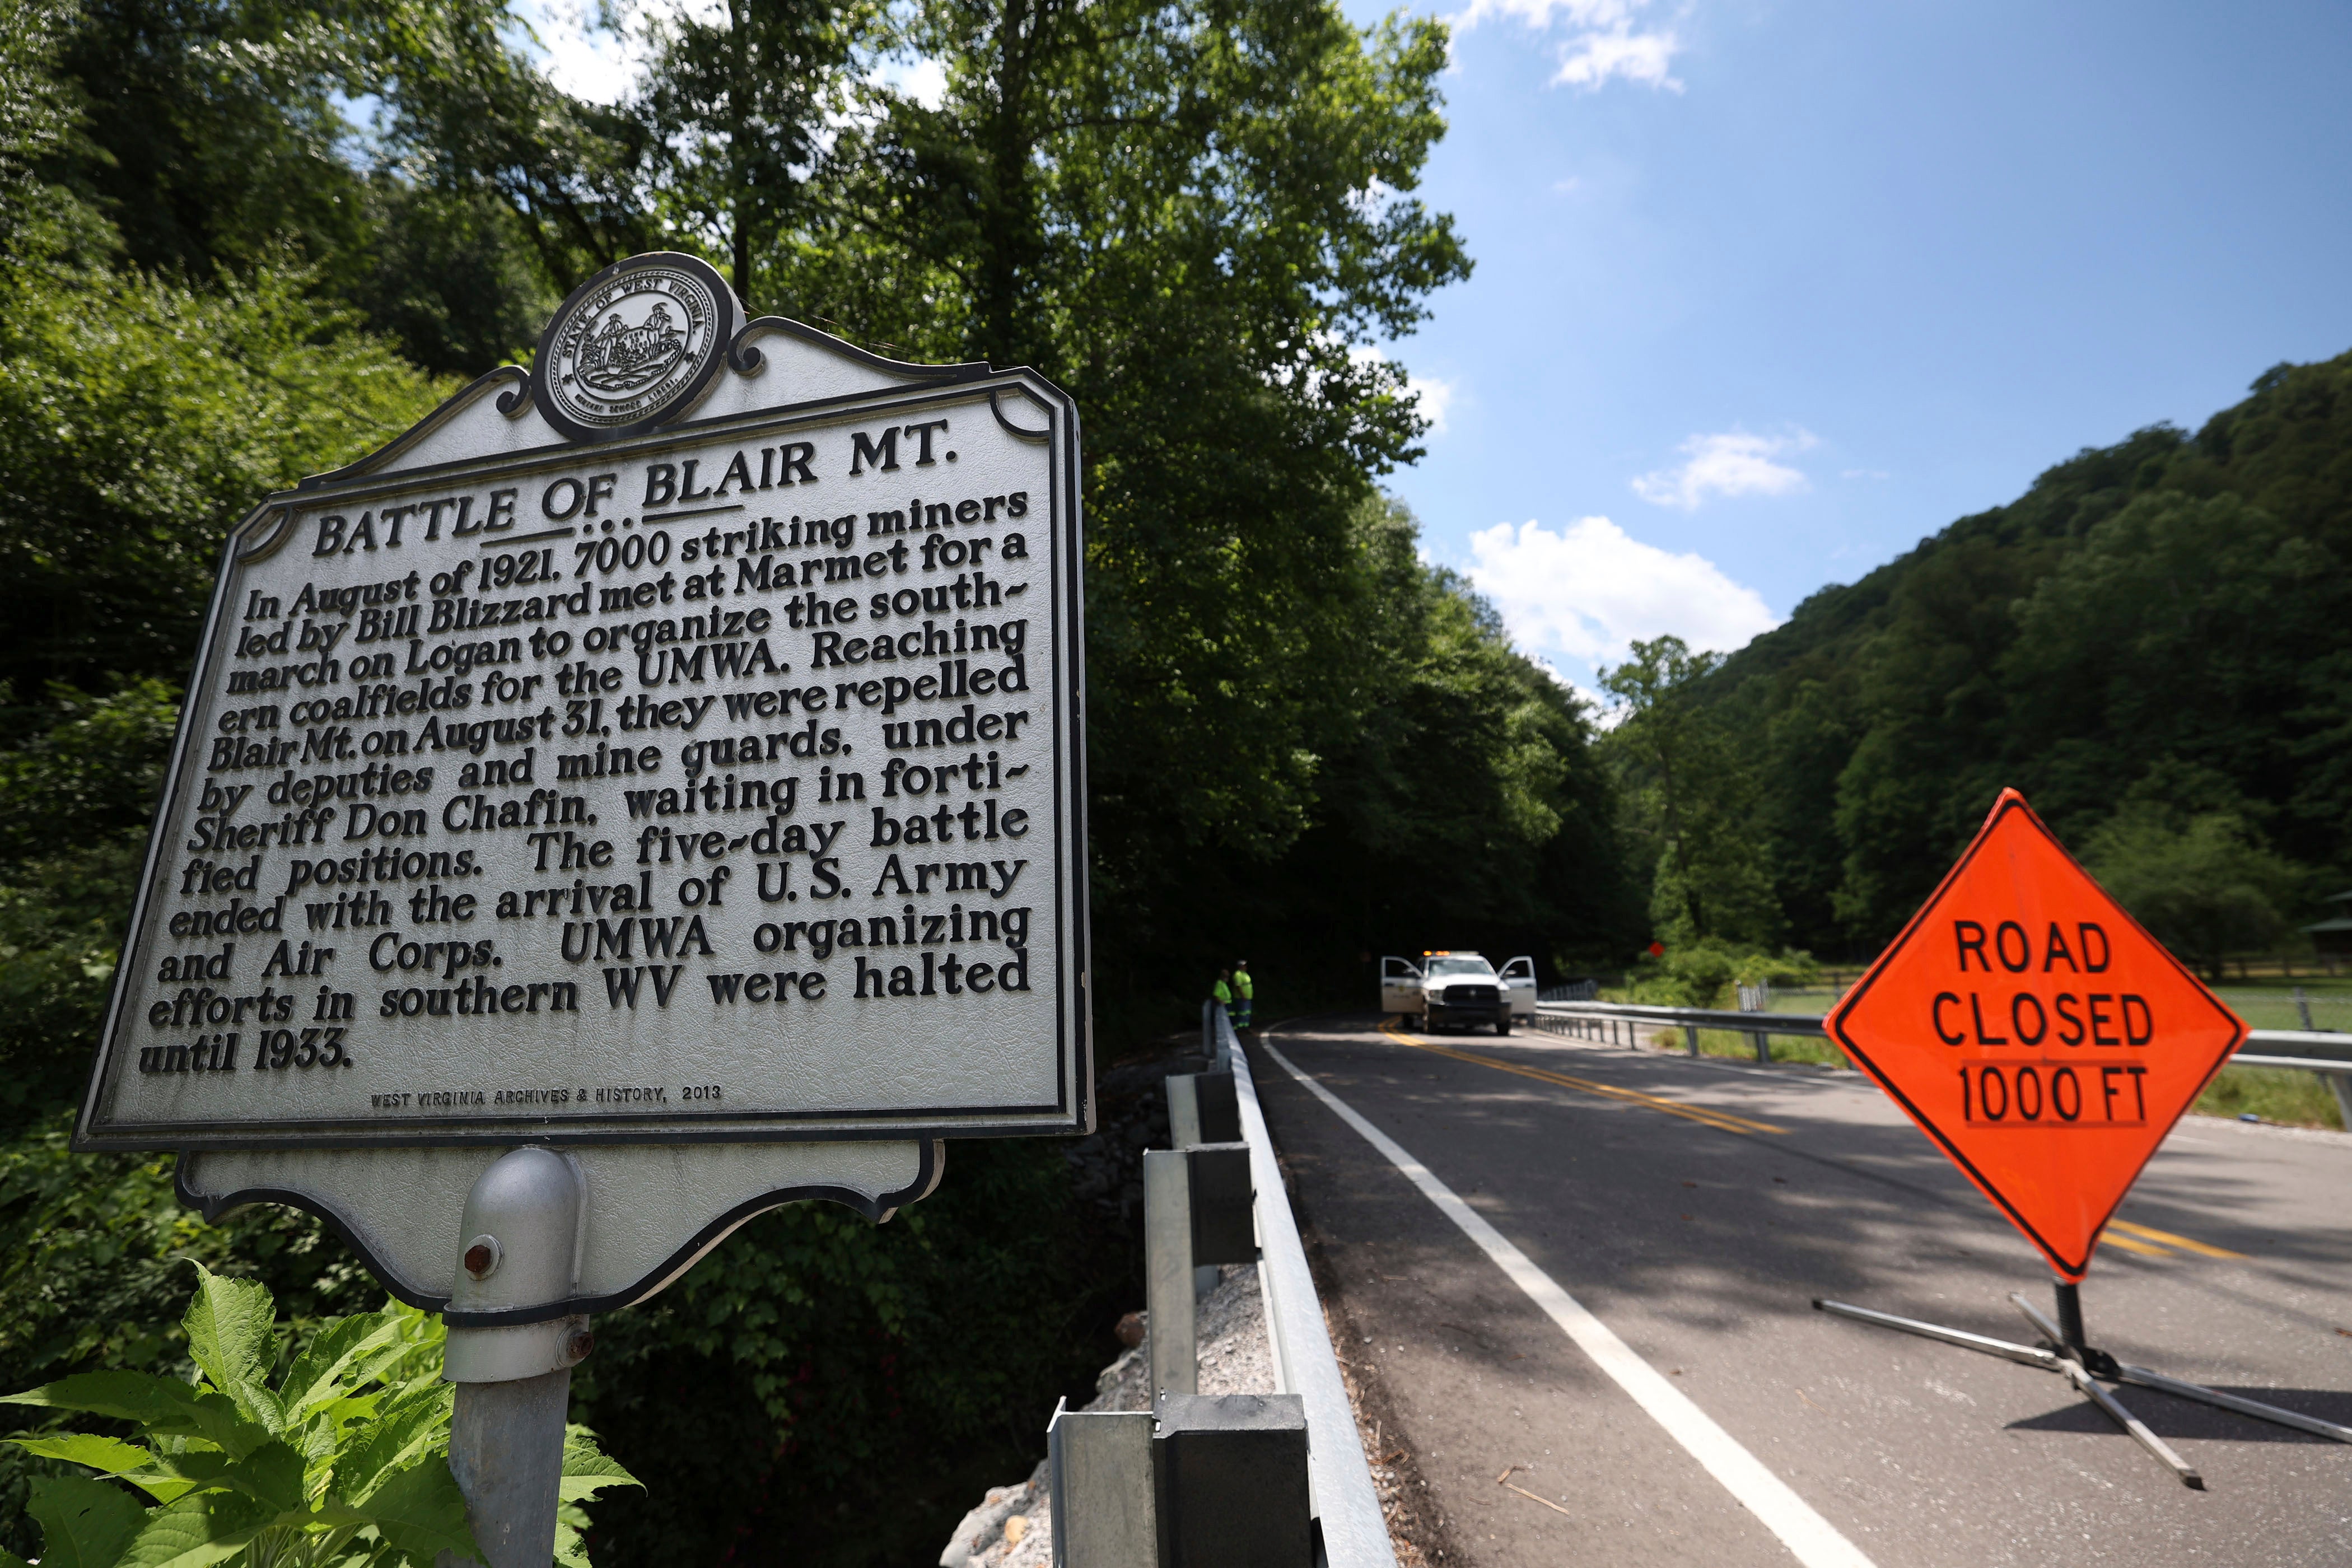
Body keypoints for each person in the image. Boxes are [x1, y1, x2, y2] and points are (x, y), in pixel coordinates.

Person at [1231, 960, 1253, 1031]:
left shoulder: (1245, 974)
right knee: (1242, 1013)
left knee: (1247, 1013)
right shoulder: (1238, 974)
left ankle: (1246, 1027)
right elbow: (1238, 986)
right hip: (1241, 998)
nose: (1246, 967)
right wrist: (1243, 995)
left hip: (1248, 997)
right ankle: (1240, 1028)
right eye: (1244, 965)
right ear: (1240, 966)